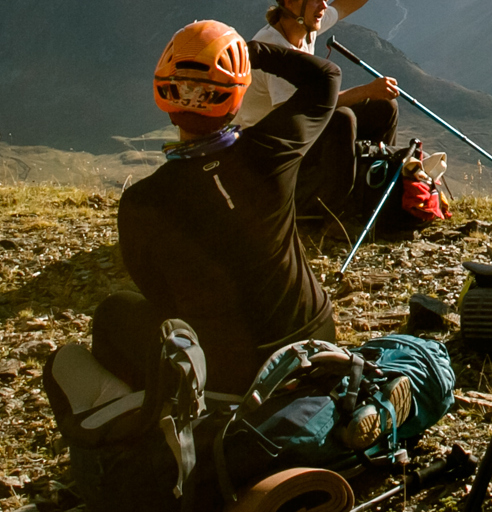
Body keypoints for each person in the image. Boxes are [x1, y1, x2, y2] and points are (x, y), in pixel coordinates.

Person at [111, 20, 342, 394]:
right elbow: (325, 77)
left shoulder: (142, 203)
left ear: (164, 96)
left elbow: (160, 296)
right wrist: (248, 50)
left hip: (231, 371)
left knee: (114, 312)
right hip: (315, 337)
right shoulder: (272, 149)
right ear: (236, 97)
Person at [238, 0, 422, 221]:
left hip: (291, 130)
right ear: (289, 1)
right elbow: (297, 113)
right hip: (270, 150)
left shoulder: (303, 26)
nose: (323, 7)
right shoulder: (272, 49)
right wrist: (364, 91)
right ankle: (328, 210)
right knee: (341, 119)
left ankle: (372, 189)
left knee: (383, 107)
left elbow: (342, 7)